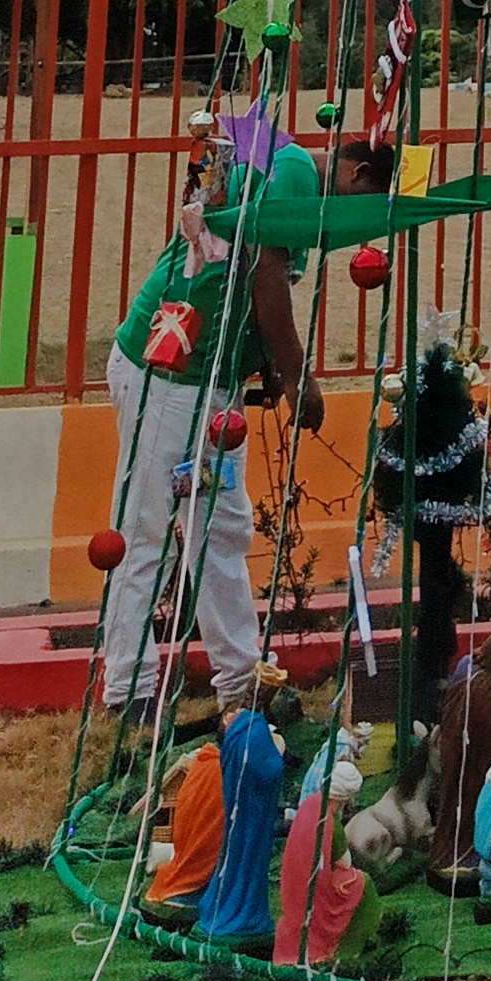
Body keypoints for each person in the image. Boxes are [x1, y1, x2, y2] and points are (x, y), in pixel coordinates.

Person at [98, 137, 326, 723]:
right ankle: (129, 691)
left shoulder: (288, 172)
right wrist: (297, 379)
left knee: (218, 527)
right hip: (167, 376)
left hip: (211, 387)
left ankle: (242, 681)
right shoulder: (294, 175)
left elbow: (247, 282)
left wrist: (265, 362)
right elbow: (267, 280)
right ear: (355, 176)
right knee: (146, 530)